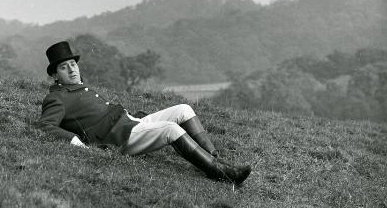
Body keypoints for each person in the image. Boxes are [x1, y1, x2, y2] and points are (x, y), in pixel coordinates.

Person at [37, 41, 252, 186]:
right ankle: (220, 174)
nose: (72, 69)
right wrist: (75, 141)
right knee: (170, 128)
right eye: (64, 67)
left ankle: (215, 159)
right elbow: (46, 125)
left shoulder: (77, 87)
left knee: (183, 109)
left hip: (129, 123)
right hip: (119, 138)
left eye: (73, 64)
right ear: (55, 74)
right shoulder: (57, 97)